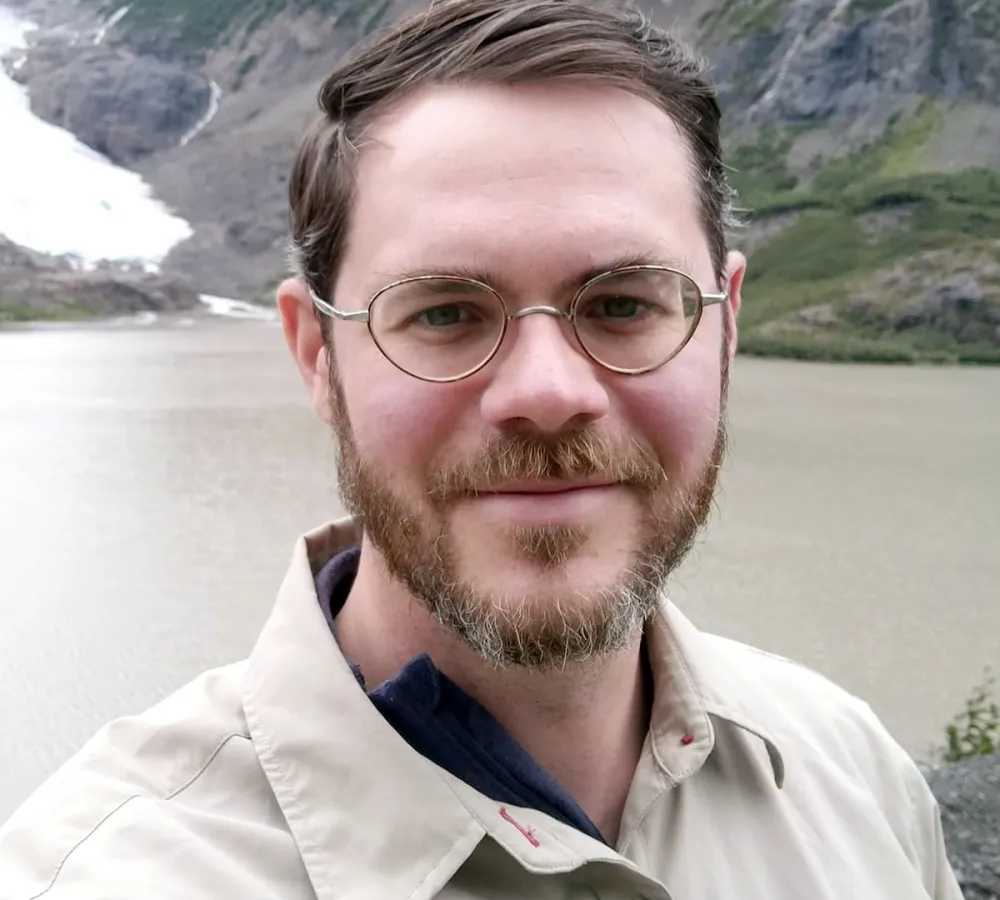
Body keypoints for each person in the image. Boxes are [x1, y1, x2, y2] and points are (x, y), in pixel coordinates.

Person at [0, 1, 964, 897]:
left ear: (726, 324)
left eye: (623, 305)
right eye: (447, 313)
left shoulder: (855, 776)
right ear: (316, 355)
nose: (547, 394)